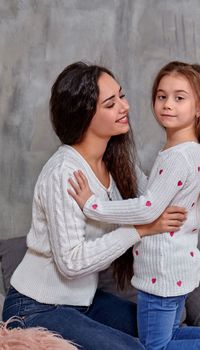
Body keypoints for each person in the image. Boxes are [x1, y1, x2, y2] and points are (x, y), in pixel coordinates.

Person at [2, 61, 187, 350]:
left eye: (122, 96)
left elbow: (159, 198)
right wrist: (139, 229)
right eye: (111, 103)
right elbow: (72, 263)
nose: (124, 107)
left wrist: (184, 145)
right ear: (84, 115)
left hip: (83, 302)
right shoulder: (63, 172)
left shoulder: (117, 163)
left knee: (159, 332)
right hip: (36, 308)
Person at [68, 61, 200, 350]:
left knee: (155, 347)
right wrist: (129, 164)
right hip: (174, 270)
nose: (168, 104)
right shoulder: (182, 151)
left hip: (162, 275)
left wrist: (93, 206)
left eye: (179, 98)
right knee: (168, 337)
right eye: (161, 96)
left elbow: (147, 208)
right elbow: (155, 193)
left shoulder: (178, 157)